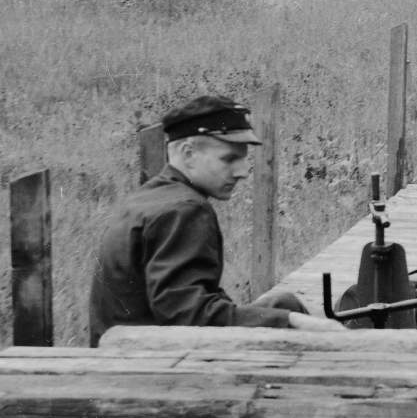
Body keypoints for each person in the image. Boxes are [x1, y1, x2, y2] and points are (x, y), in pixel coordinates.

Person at [89, 94, 344, 345]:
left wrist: (280, 315)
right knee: (292, 319)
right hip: (147, 360)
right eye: (229, 159)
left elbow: (183, 303)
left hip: (127, 349)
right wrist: (289, 321)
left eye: (243, 159)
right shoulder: (185, 209)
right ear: (188, 153)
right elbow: (189, 317)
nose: (243, 172)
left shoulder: (149, 197)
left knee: (283, 303)